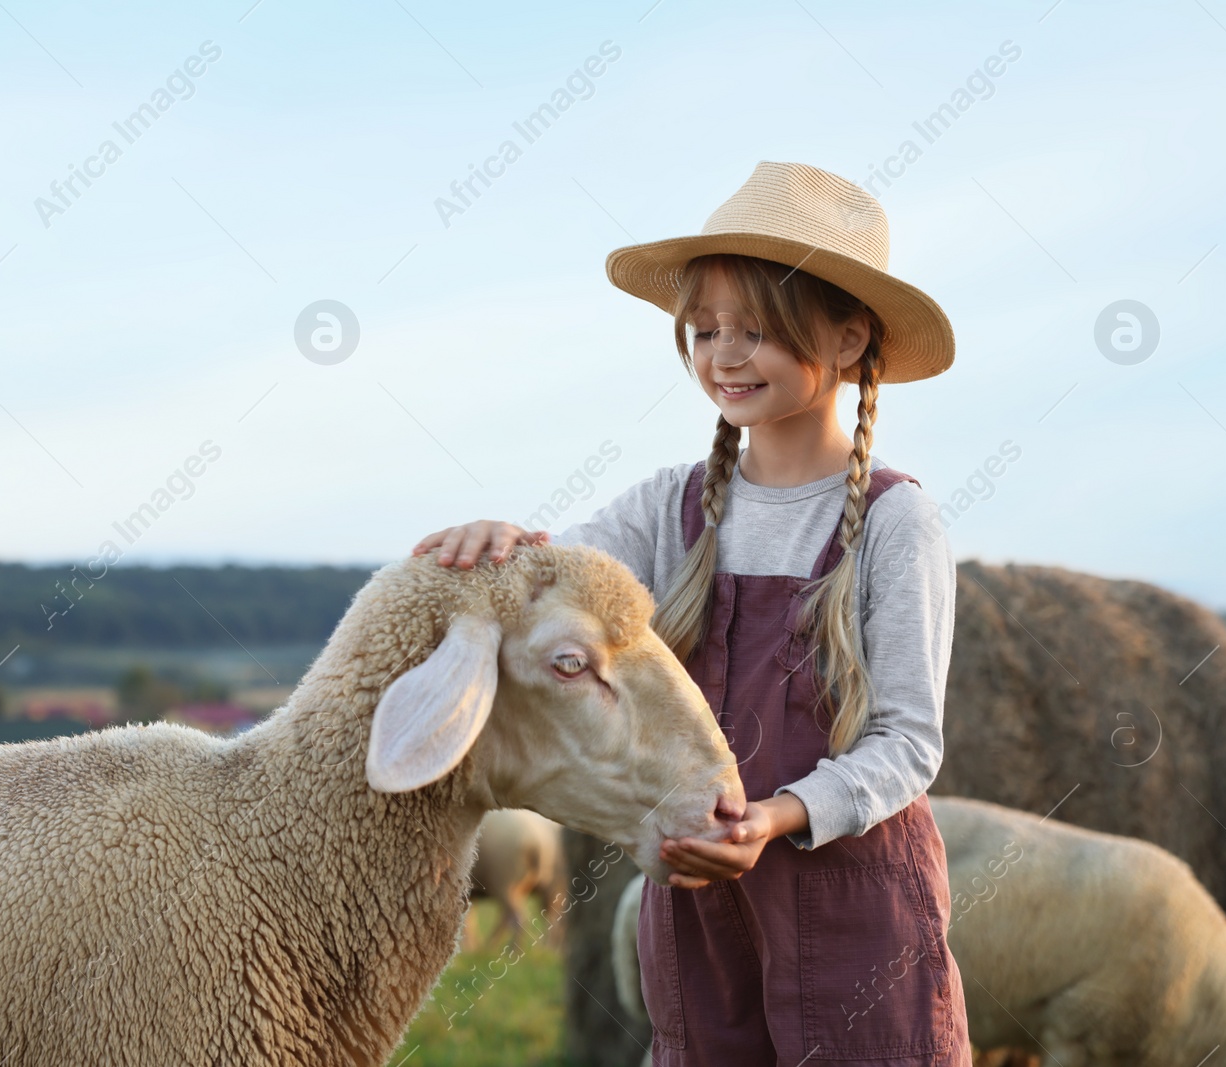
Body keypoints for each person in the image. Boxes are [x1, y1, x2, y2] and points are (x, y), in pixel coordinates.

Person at [411, 160, 971, 1066]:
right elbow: (553, 577)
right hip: (701, 910)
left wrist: (777, 817)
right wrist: (504, 538)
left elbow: (910, 740)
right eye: (706, 329)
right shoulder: (671, 509)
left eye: (758, 329)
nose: (724, 354)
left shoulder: (896, 522)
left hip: (855, 909)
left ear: (849, 334)